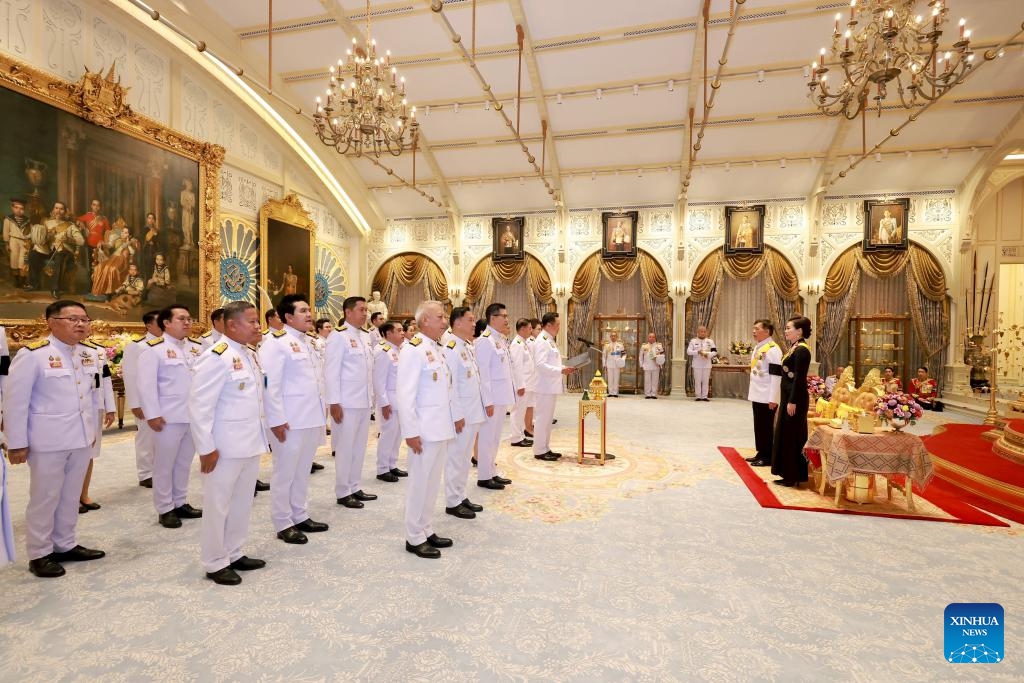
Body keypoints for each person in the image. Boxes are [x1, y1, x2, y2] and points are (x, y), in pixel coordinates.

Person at [3, 300, 106, 578]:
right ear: (51, 322)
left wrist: (92, 431)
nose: (80, 324)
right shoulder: (33, 355)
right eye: (73, 319)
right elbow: (15, 402)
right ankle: (39, 553)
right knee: (45, 497)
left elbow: (90, 395)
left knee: (71, 496)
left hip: (81, 437)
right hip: (47, 440)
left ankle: (65, 544)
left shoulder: (88, 353)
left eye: (84, 319)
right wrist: (16, 442)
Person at [189, 300, 268, 586]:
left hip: (249, 442)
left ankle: (234, 552)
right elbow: (200, 406)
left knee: (241, 503)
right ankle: (214, 561)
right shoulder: (215, 357)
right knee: (218, 505)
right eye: (252, 321)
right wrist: (206, 448)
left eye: (257, 321)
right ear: (232, 325)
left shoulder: (248, 354)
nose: (258, 326)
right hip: (223, 447)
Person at [260, 294, 329, 545]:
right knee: (285, 472)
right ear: (288, 317)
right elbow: (269, 385)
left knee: (302, 471)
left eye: (309, 310)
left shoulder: (308, 342)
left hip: (310, 417)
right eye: (302, 311)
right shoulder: (275, 343)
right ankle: (283, 522)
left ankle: (299, 514)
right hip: (289, 420)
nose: (309, 314)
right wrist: (276, 419)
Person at [396, 300, 462, 559]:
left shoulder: (437, 347)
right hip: (423, 431)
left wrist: (454, 418)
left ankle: (425, 528)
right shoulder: (413, 350)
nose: (445, 321)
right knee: (419, 484)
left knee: (432, 484)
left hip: (440, 427)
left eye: (444, 317)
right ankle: (413, 537)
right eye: (440, 317)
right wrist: (410, 432)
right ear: (424, 320)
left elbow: (446, 389)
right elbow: (405, 395)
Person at [137, 305, 204, 529]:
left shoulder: (196, 348)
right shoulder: (153, 349)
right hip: (168, 417)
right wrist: (152, 415)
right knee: (164, 465)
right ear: (166, 323)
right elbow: (146, 385)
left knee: (184, 463)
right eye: (181, 319)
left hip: (192, 416)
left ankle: (180, 501)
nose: (187, 322)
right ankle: (165, 508)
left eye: (189, 318)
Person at [326, 296, 377, 509]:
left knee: (359, 447)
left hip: (363, 401)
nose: (365, 314)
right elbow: (331, 371)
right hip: (346, 402)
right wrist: (334, 402)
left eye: (366, 310)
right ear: (348, 312)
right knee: (345, 448)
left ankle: (355, 486)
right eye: (361, 310)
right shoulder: (338, 336)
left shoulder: (365, 336)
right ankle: (343, 491)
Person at [443, 307, 488, 520]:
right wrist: (456, 414)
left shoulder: (466, 346)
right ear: (458, 323)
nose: (474, 324)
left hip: (472, 411)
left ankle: (461, 495)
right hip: (462, 414)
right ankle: (452, 501)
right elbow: (450, 385)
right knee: (456, 458)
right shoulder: (451, 348)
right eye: (470, 320)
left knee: (464, 458)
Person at [474, 303, 517, 490]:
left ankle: (491, 471)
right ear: (493, 318)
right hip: (492, 399)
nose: (507, 319)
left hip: (501, 397)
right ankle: (484, 476)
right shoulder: (485, 340)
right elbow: (483, 374)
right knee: (487, 437)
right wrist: (487, 401)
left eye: (507, 316)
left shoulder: (498, 339)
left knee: (495, 437)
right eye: (503, 316)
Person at [770, 315, 813, 488]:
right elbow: (788, 372)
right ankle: (787, 473)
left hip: (795, 399)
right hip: (788, 397)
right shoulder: (794, 347)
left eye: (789, 328)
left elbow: (799, 379)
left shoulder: (802, 350)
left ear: (799, 331)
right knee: (785, 434)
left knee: (792, 436)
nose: (786, 331)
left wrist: (792, 401)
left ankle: (792, 475)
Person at [122, 310, 162, 488]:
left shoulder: (169, 345)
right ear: (148, 325)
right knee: (146, 437)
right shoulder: (137, 346)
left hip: (166, 400)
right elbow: (130, 376)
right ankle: (146, 473)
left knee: (165, 437)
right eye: (159, 322)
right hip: (146, 401)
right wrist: (135, 403)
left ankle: (161, 470)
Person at [78, 332, 116, 512]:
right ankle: (70, 498)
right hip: (71, 411)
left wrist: (110, 407)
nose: (82, 325)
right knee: (71, 456)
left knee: (90, 453)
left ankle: (84, 494)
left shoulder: (97, 351)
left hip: (95, 407)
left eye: (85, 321)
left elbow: (105, 381)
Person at [532, 312, 576, 461]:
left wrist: (564, 368)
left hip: (550, 386)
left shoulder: (549, 340)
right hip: (544, 387)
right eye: (557, 325)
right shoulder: (542, 341)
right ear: (549, 325)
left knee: (547, 419)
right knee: (542, 419)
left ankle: (545, 448)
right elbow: (540, 365)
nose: (559, 327)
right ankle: (539, 450)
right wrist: (560, 370)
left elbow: (552, 362)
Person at [373, 322, 408, 483]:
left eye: (402, 330)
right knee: (388, 435)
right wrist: (384, 403)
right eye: (399, 330)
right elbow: (378, 380)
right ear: (388, 334)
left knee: (397, 435)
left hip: (400, 400)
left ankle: (392, 464)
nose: (403, 333)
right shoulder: (383, 351)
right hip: (389, 400)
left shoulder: (398, 350)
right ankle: (382, 469)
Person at [744, 320, 782, 468]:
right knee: (759, 425)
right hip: (758, 393)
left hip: (767, 396)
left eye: (757, 329)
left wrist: (773, 398)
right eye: (753, 328)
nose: (754, 331)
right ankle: (761, 452)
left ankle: (768, 456)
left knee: (766, 426)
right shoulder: (759, 346)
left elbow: (776, 375)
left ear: (767, 331)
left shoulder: (773, 349)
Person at [508, 318, 534, 448]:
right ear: (522, 329)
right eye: (529, 328)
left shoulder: (523, 343)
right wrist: (520, 385)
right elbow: (516, 367)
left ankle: (520, 435)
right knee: (517, 411)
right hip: (522, 384)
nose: (531, 330)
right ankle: (515, 438)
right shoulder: (517, 344)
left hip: (527, 383)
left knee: (521, 411)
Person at [47, 211, 84, 298]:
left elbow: (81, 241)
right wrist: (49, 236)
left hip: (65, 251)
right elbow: (42, 238)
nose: (58, 212)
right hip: (49, 250)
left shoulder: (70, 225)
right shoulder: (48, 223)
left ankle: (55, 289)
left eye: (61, 209)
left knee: (60, 257)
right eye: (56, 209)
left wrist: (68, 239)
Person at [78, 199, 110, 281]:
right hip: (90, 243)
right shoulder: (87, 216)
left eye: (97, 205)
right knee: (91, 264)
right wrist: (84, 228)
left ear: (100, 207)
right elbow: (78, 220)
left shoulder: (104, 219)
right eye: (94, 205)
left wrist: (104, 242)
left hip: (100, 244)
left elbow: (108, 231)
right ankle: (91, 283)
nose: (95, 207)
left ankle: (99, 283)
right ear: (91, 206)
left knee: (100, 265)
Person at [3, 197, 31, 289]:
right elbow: (6, 232)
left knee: (22, 261)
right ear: (12, 208)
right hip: (13, 240)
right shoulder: (8, 219)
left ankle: (22, 280)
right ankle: (16, 280)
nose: (19, 210)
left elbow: (30, 231)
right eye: (16, 207)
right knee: (14, 260)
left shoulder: (27, 220)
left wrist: (29, 240)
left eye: (21, 208)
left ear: (24, 210)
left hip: (24, 242)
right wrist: (7, 243)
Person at [687, 326, 716, 401]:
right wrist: (697, 352)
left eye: (704, 331)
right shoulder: (693, 341)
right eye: (701, 331)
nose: (703, 333)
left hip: (707, 364)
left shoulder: (710, 341)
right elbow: (688, 352)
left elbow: (714, 352)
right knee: (697, 380)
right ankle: (698, 396)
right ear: (698, 332)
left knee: (706, 381)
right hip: (697, 364)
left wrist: (708, 355)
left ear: (706, 332)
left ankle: (704, 396)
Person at [640, 332, 666, 399]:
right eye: (650, 337)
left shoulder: (659, 346)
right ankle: (648, 394)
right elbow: (641, 356)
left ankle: (654, 394)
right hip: (647, 365)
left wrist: (659, 361)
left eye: (653, 337)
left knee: (655, 380)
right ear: (648, 338)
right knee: (647, 380)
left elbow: (662, 355)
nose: (651, 338)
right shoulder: (644, 346)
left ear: (655, 338)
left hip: (656, 365)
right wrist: (641, 365)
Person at [602, 331, 626, 397]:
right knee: (610, 379)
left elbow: (624, 354)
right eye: (612, 336)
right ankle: (610, 393)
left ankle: (615, 393)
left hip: (617, 364)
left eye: (614, 336)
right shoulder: (607, 345)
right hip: (609, 364)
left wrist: (622, 361)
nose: (613, 337)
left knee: (616, 379)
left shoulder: (620, 345)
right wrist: (604, 364)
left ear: (616, 337)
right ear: (610, 337)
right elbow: (604, 356)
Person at [180, 178, 196, 247]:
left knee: (190, 227)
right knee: (185, 226)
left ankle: (190, 241)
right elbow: (182, 202)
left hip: (190, 212)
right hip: (185, 212)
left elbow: (193, 204)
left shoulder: (192, 194)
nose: (191, 186)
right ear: (187, 185)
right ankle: (187, 240)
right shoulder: (183, 193)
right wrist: (186, 205)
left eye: (191, 185)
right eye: (190, 185)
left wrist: (190, 205)